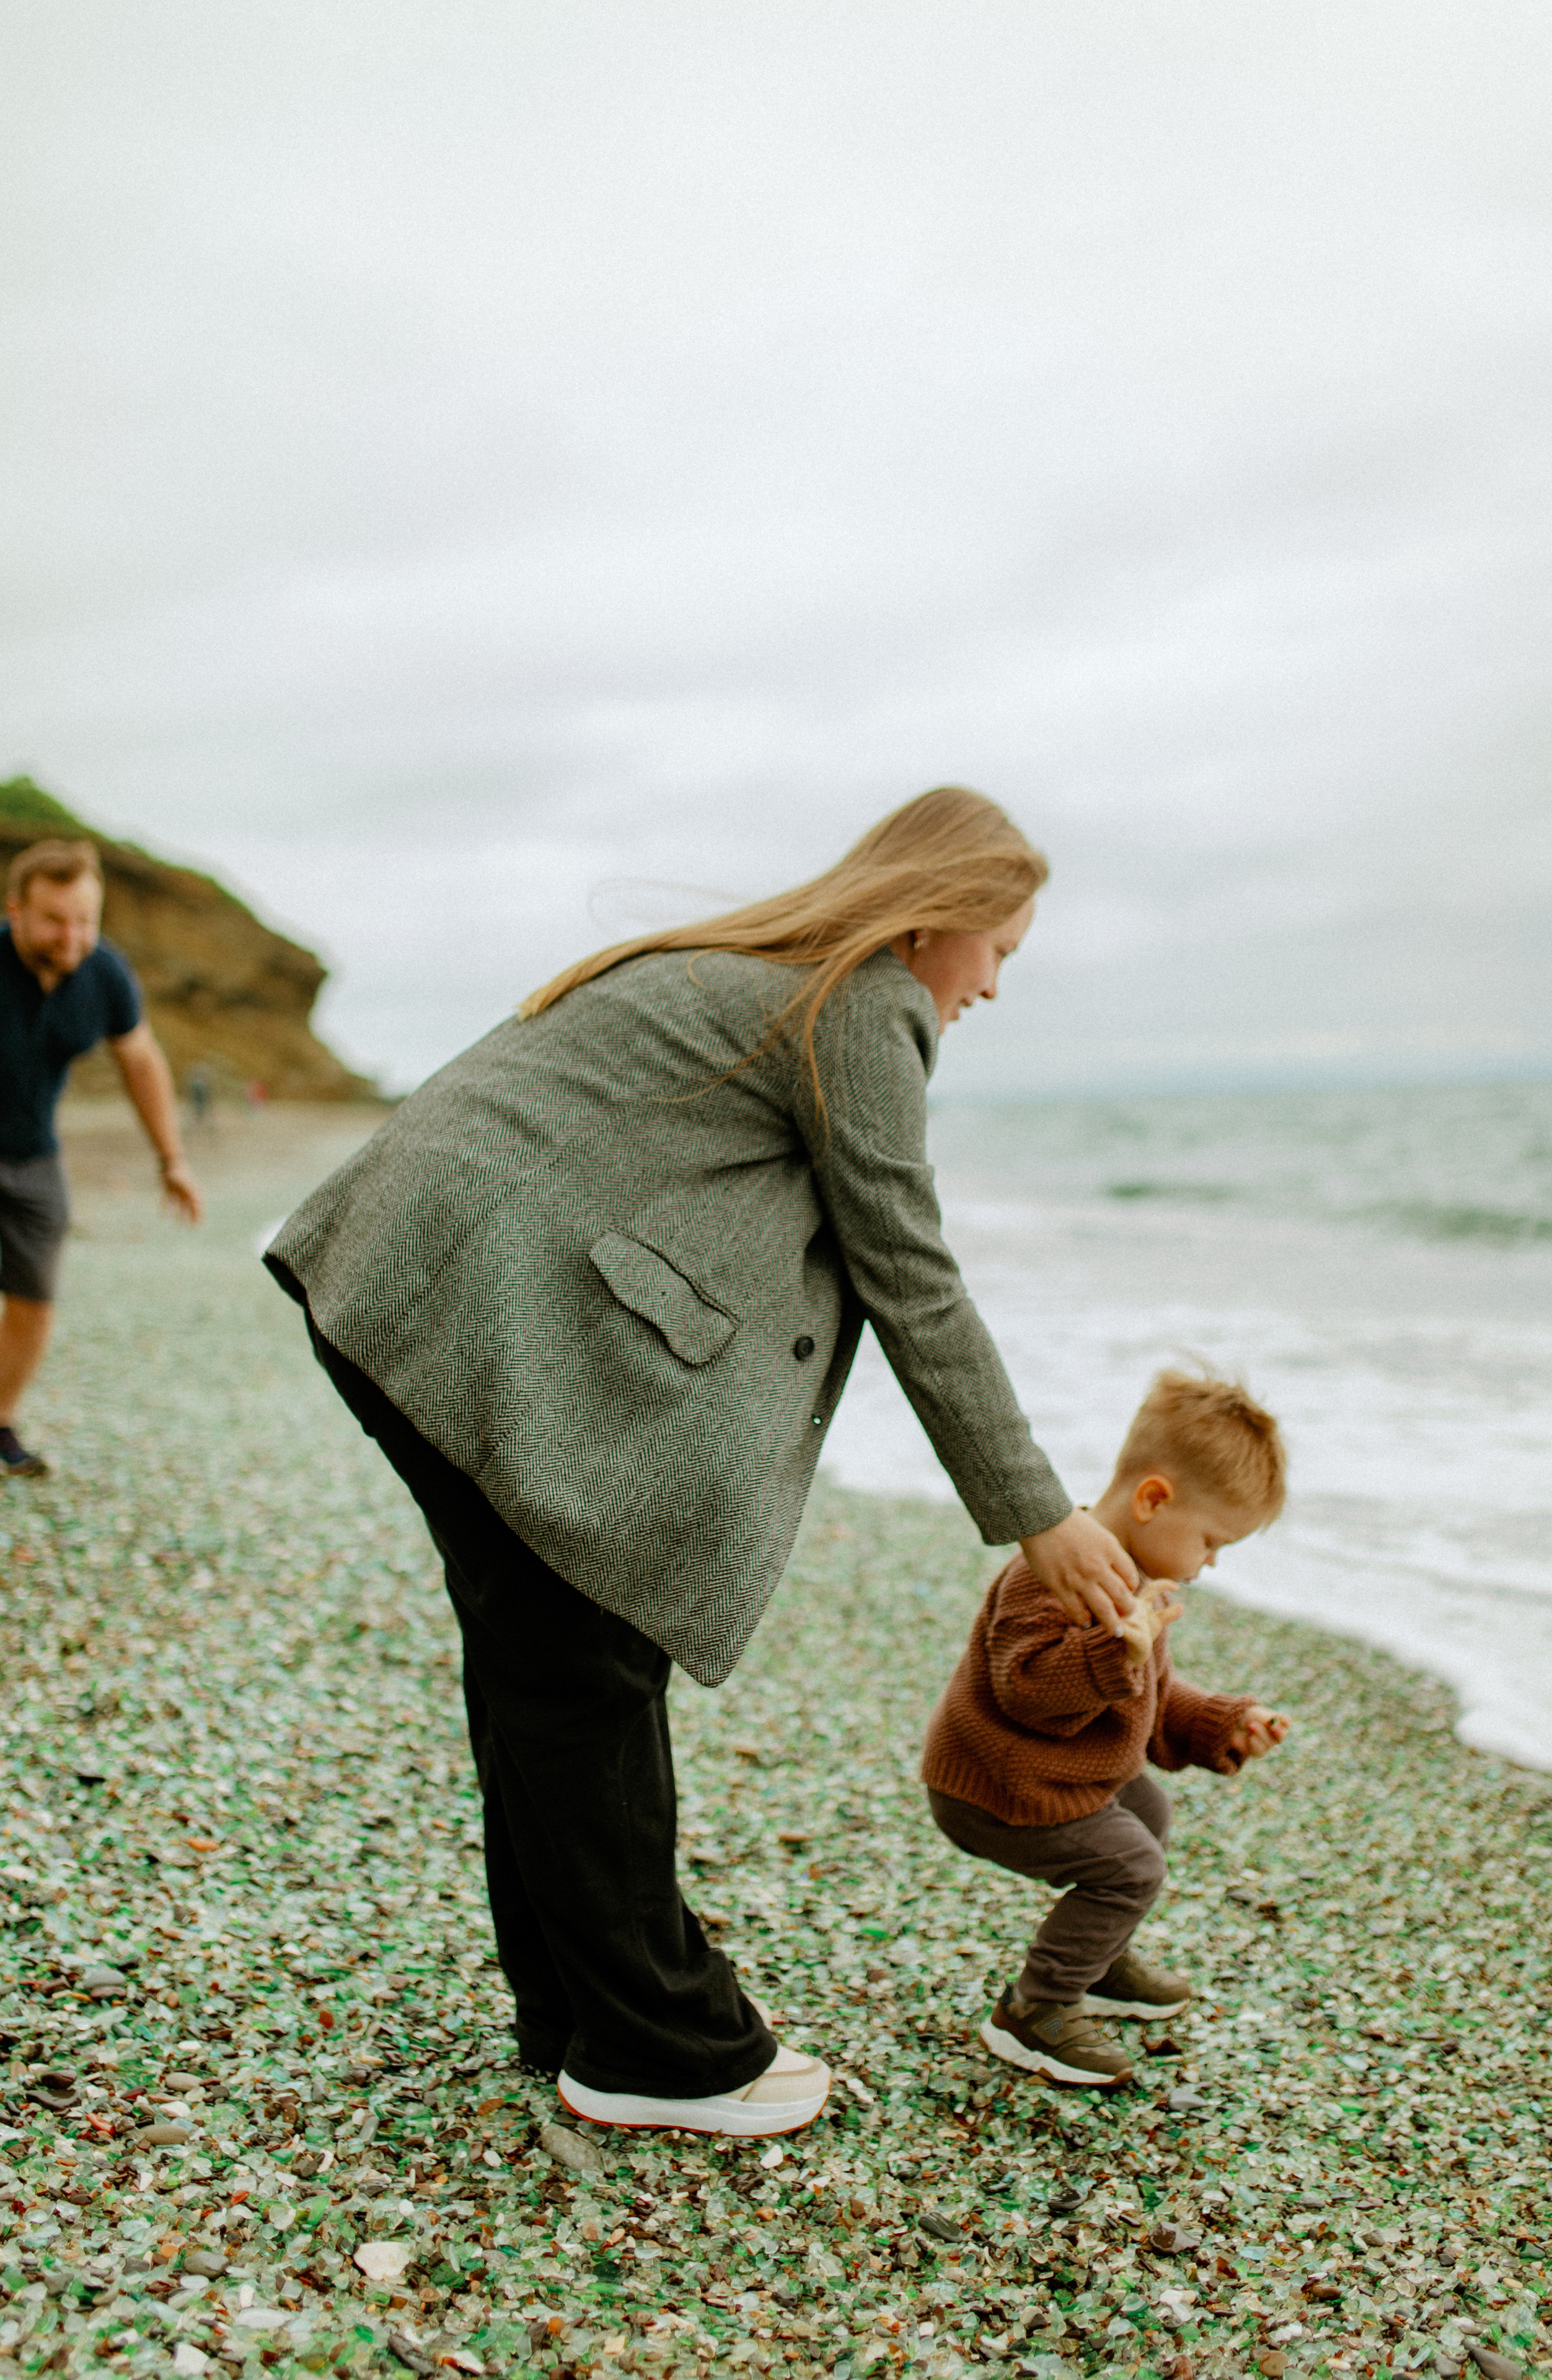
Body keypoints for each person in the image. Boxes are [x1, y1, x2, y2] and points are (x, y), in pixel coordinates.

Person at [264, 786, 1142, 2138]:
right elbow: (905, 1268)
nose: (993, 987)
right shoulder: (861, 998)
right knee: (583, 1668)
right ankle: (660, 2049)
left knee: (542, 1667)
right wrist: (1033, 1514)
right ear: (937, 920)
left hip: (410, 1284)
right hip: (461, 1300)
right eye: (1000, 953)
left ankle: (573, 2014)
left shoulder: (765, 971)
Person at [922, 1370, 1290, 2089]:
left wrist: (1221, 1722)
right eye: (1212, 1541)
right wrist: (1112, 1650)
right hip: (993, 1784)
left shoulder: (1134, 1579)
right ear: (1154, 1500)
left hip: (1048, 1775)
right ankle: (1036, 2009)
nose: (1209, 1563)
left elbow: (1144, 1699)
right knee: (1131, 1866)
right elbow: (1027, 1689)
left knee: (1148, 1807)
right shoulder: (1051, 1574)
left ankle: (1094, 1956)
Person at [0, 838, 205, 1478]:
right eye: (56, 920)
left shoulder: (103, 974)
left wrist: (171, 1158)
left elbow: (140, 1060)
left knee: (35, 1298)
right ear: (16, 909)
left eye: (85, 920)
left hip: (35, 1154)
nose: (73, 935)